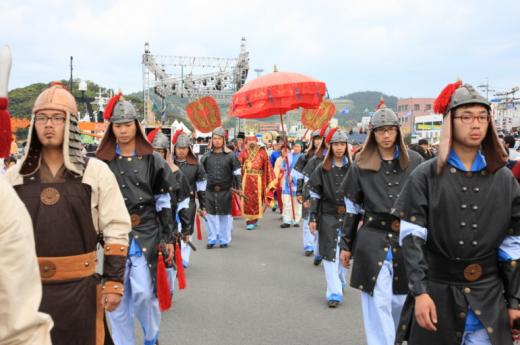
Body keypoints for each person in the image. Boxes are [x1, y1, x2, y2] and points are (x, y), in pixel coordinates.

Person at [393, 82, 520, 345]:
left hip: (489, 298)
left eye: (482, 117)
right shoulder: (424, 176)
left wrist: (515, 301)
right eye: (466, 117)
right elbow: (411, 239)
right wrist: (420, 293)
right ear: (450, 122)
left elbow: (513, 246)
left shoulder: (505, 179)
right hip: (437, 296)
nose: (476, 124)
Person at [6, 83, 130, 345]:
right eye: (42, 117)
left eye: (57, 118)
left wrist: (113, 282)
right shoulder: (14, 176)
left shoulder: (95, 172)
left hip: (80, 290)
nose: (48, 124)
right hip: (27, 291)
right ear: (33, 123)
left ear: (70, 123)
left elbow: (116, 228)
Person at [96, 94, 176, 345]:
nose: (122, 130)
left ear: (136, 126)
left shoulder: (154, 159)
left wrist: (168, 237)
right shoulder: (102, 162)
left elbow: (164, 201)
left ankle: (151, 336)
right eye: (117, 125)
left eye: (127, 124)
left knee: (143, 293)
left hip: (147, 233)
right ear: (112, 128)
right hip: (114, 235)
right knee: (116, 298)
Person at [339, 107, 423, 345]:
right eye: (381, 131)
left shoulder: (415, 161)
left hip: (407, 241)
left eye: (390, 130)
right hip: (372, 240)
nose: (386, 135)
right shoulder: (360, 164)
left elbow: (426, 206)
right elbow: (352, 210)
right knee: (377, 305)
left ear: (397, 132)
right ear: (372, 134)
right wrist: (346, 245)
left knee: (401, 304)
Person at [0, 176, 53, 345]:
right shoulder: (13, 176)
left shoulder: (3, 197)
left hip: (77, 283)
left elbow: (17, 325)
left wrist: (113, 279)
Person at [308, 129, 350, 307]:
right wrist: (313, 217)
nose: (339, 148)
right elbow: (315, 194)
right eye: (336, 144)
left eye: (342, 144)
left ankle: (340, 280)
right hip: (327, 215)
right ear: (330, 146)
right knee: (328, 252)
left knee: (343, 253)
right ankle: (333, 292)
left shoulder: (354, 168)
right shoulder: (321, 169)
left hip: (349, 217)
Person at [200, 127, 242, 249]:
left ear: (223, 140)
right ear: (211, 140)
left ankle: (224, 239)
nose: (216, 141)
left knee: (225, 216)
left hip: (226, 191)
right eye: (214, 138)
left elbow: (237, 172)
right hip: (209, 190)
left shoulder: (231, 156)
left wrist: (239, 187)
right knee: (210, 216)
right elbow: (200, 173)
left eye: (219, 138)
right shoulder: (206, 156)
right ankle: (212, 238)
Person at [172, 131, 207, 266]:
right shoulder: (167, 164)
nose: (181, 151)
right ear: (174, 148)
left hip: (189, 203)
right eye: (179, 148)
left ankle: (184, 257)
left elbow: (201, 187)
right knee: (172, 230)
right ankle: (174, 256)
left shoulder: (196, 165)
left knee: (186, 229)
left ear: (189, 149)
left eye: (184, 148)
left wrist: (203, 206)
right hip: (171, 203)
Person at [294, 128, 324, 256]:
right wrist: (299, 192)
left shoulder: (328, 157)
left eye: (320, 139)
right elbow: (300, 176)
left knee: (322, 220)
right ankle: (308, 245)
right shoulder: (304, 157)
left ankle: (318, 247)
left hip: (324, 192)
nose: (318, 142)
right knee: (307, 219)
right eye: (316, 139)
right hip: (308, 191)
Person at [238, 133, 276, 230]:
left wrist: (268, 180)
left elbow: (267, 166)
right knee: (247, 199)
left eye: (253, 140)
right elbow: (238, 165)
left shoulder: (262, 152)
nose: (251, 142)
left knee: (257, 200)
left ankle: (255, 219)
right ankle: (249, 220)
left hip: (258, 179)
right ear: (247, 141)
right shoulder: (244, 152)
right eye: (249, 140)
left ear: (256, 141)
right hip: (246, 179)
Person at [279, 141, 303, 228]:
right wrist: (285, 161)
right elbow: (282, 167)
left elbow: (303, 171)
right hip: (287, 182)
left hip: (298, 183)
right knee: (286, 202)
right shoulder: (288, 155)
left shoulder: (303, 157)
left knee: (297, 203)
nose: (296, 148)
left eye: (298, 147)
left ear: (301, 148)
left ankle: (296, 220)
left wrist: (294, 178)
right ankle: (287, 220)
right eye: (295, 146)